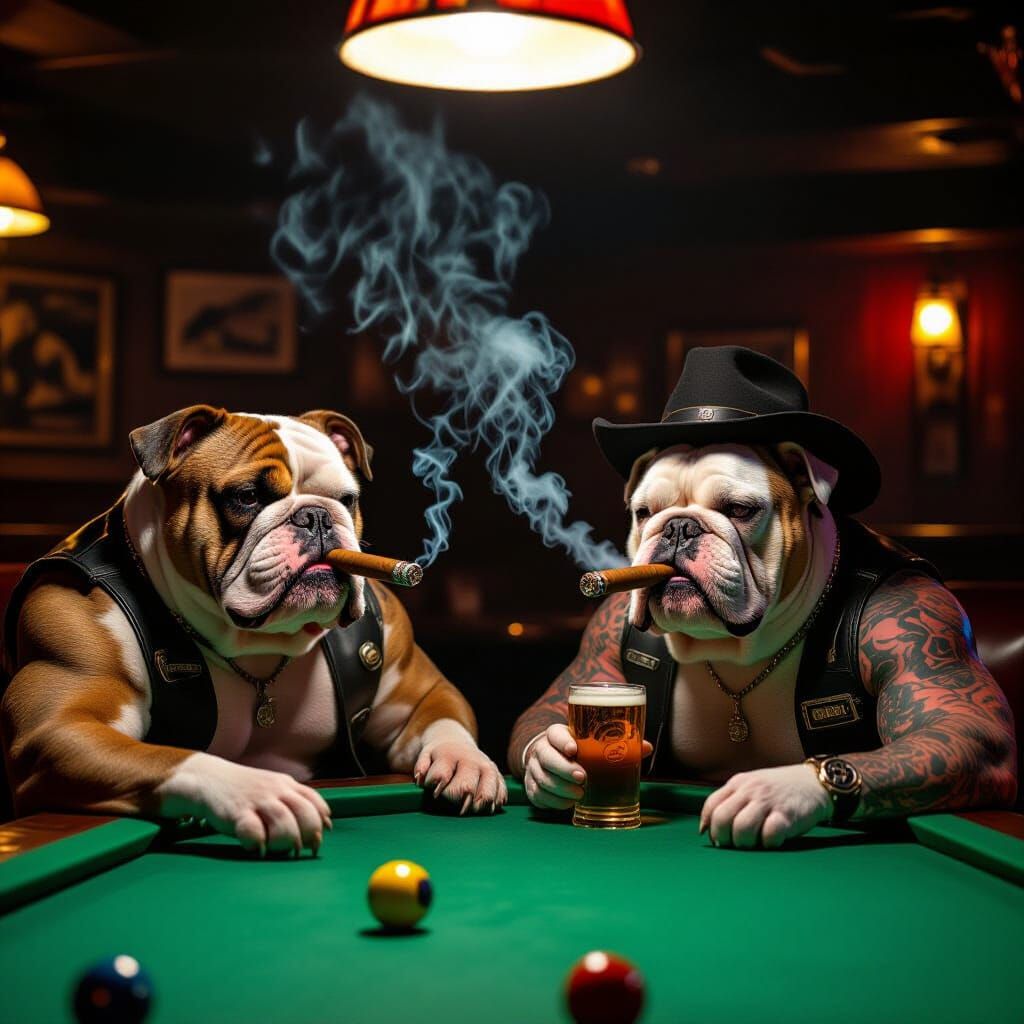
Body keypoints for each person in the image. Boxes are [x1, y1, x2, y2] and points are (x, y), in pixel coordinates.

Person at [508, 346, 1017, 848]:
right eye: (650, 513)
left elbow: (983, 751)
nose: (678, 538)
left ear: (805, 493)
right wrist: (542, 754)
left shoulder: (891, 607)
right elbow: (541, 716)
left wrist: (822, 783)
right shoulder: (625, 616)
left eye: (736, 509)